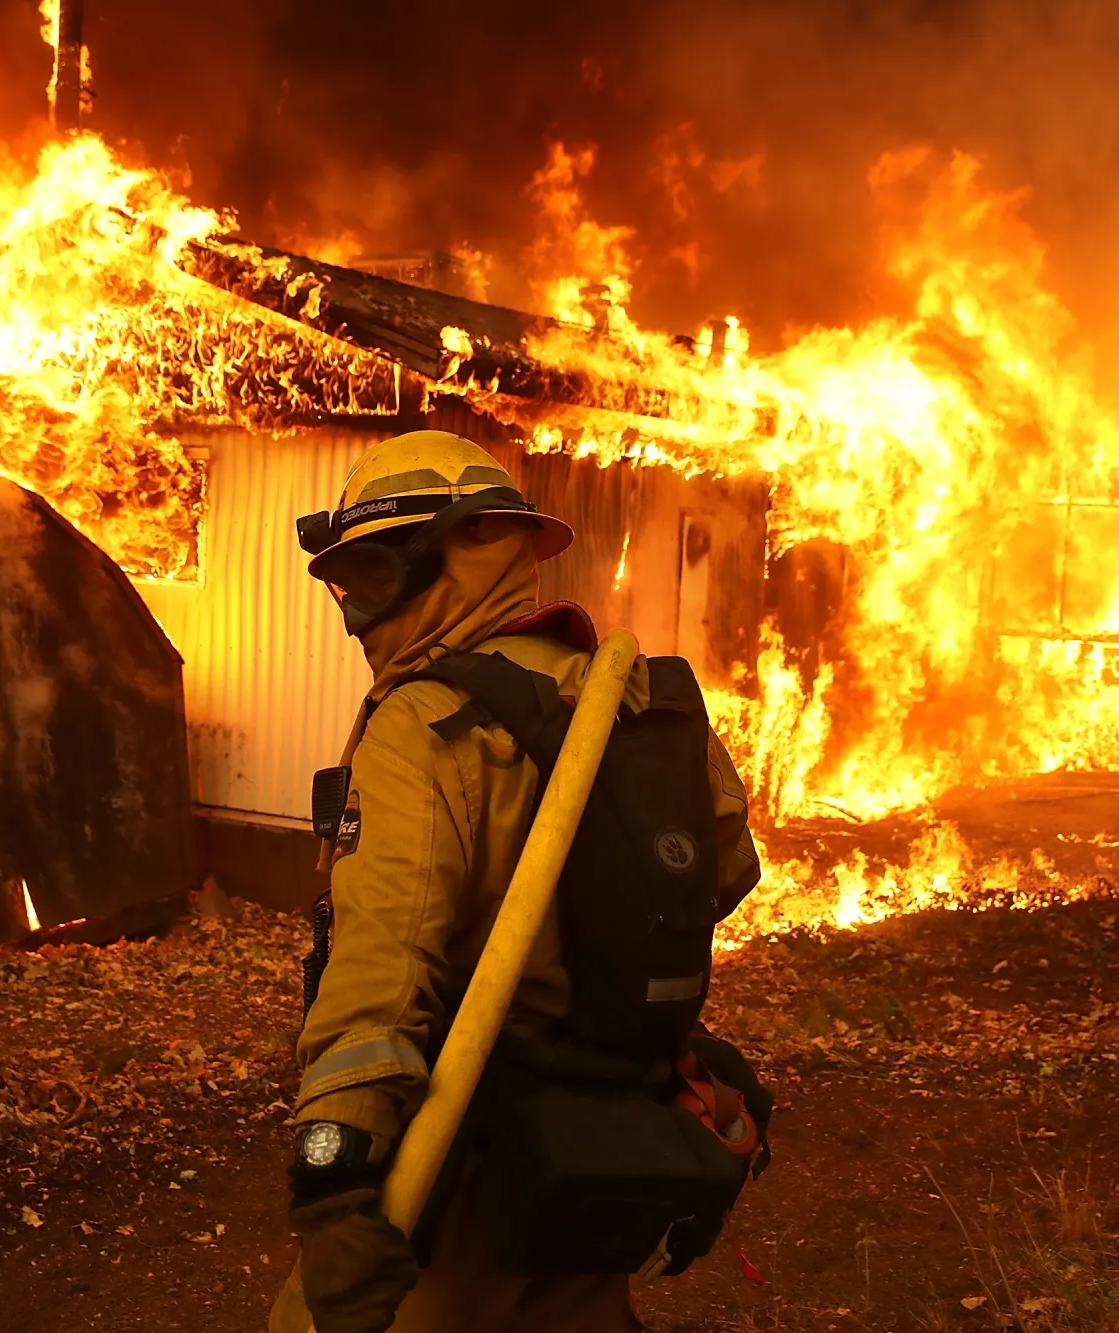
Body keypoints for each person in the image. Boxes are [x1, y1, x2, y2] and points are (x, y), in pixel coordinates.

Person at [269, 430, 764, 1333]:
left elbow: (379, 964)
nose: (362, 615)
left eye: (377, 574)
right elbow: (724, 870)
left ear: (472, 550)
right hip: (602, 1140)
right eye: (351, 585)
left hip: (459, 1154)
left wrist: (334, 1175)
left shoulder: (423, 725)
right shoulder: (640, 702)